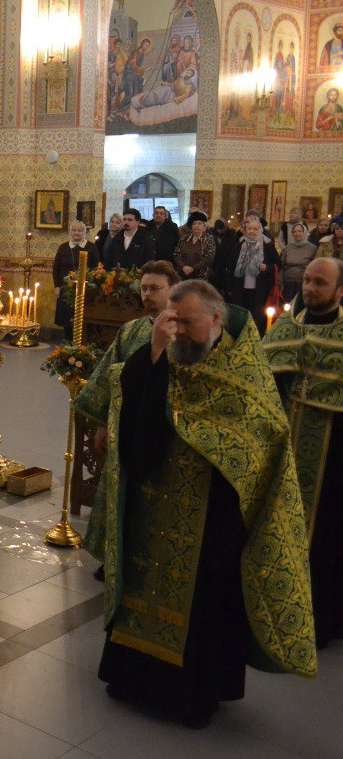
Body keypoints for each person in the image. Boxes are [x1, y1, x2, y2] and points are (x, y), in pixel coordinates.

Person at [93, 280, 316, 728]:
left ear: (216, 319)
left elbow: (260, 444)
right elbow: (134, 409)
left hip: (213, 517)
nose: (177, 334)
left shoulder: (245, 375)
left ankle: (191, 696)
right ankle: (132, 678)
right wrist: (153, 354)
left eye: (187, 324)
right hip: (155, 504)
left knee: (203, 607)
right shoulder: (167, 357)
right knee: (144, 586)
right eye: (170, 323)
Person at [76, 260, 179, 578]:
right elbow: (107, 379)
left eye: (155, 288)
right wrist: (104, 424)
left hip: (161, 432)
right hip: (124, 431)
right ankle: (111, 558)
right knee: (119, 495)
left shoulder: (184, 332)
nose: (147, 294)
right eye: (144, 288)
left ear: (172, 289)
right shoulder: (130, 330)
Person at [265, 257, 343, 649]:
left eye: (320, 283)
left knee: (328, 534)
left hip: (334, 457)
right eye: (307, 281)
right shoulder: (288, 326)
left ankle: (323, 617)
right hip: (289, 446)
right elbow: (261, 376)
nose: (310, 289)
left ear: (339, 290)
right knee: (282, 525)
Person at [221, 214, 280, 334]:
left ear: (260, 230)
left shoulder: (267, 245)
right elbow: (230, 267)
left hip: (260, 290)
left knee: (257, 319)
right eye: (249, 229)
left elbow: (278, 264)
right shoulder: (239, 244)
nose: (252, 231)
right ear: (245, 230)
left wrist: (267, 267)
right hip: (240, 289)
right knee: (241, 318)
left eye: (255, 229)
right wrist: (229, 288)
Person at [52, 221, 93, 341]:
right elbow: (56, 268)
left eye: (80, 231)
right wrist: (57, 287)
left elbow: (96, 267)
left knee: (81, 316)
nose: (77, 233)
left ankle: (81, 342)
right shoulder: (63, 247)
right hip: (66, 288)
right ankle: (68, 341)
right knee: (66, 317)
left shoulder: (91, 247)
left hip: (85, 288)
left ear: (84, 233)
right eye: (74, 230)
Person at [173, 213, 217, 281]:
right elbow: (176, 254)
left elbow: (209, 257)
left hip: (200, 275)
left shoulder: (209, 239)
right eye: (194, 223)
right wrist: (183, 267)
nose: (196, 226)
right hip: (183, 274)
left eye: (199, 223)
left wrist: (192, 268)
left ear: (204, 227)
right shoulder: (184, 238)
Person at [280, 222, 316, 304]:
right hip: (288, 283)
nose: (297, 233)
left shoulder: (312, 248)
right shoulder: (287, 248)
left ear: (304, 232)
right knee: (287, 306)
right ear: (292, 234)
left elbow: (314, 268)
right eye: (295, 232)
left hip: (303, 283)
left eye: (300, 231)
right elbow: (281, 266)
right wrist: (280, 282)